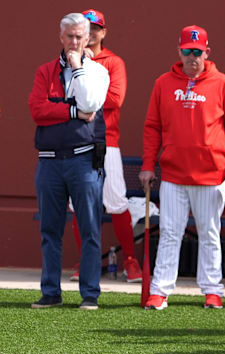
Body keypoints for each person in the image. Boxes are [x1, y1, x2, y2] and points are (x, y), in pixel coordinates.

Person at [140, 25, 225, 310]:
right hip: (173, 174)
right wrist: (148, 165)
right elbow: (152, 127)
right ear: (179, 51)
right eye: (187, 51)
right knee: (170, 232)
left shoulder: (223, 83)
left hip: (211, 175)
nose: (192, 56)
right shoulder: (163, 83)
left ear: (207, 52)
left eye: (197, 52)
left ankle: (212, 290)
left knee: (209, 233)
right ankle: (160, 291)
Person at [29, 12, 109, 310]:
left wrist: (77, 68)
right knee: (49, 230)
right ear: (61, 37)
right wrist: (72, 112)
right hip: (49, 161)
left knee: (89, 228)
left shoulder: (98, 72)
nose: (74, 41)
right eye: (70, 36)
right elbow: (37, 111)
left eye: (80, 36)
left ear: (88, 38)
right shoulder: (44, 71)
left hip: (83, 160)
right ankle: (51, 292)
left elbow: (89, 102)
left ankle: (90, 294)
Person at [67, 9, 141, 284]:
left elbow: (115, 98)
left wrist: (82, 99)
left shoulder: (113, 61)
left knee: (116, 201)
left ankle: (130, 260)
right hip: (75, 139)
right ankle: (86, 261)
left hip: (106, 140)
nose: (92, 32)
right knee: (78, 204)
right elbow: (62, 97)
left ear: (103, 32)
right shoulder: (69, 59)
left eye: (96, 28)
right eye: (87, 28)